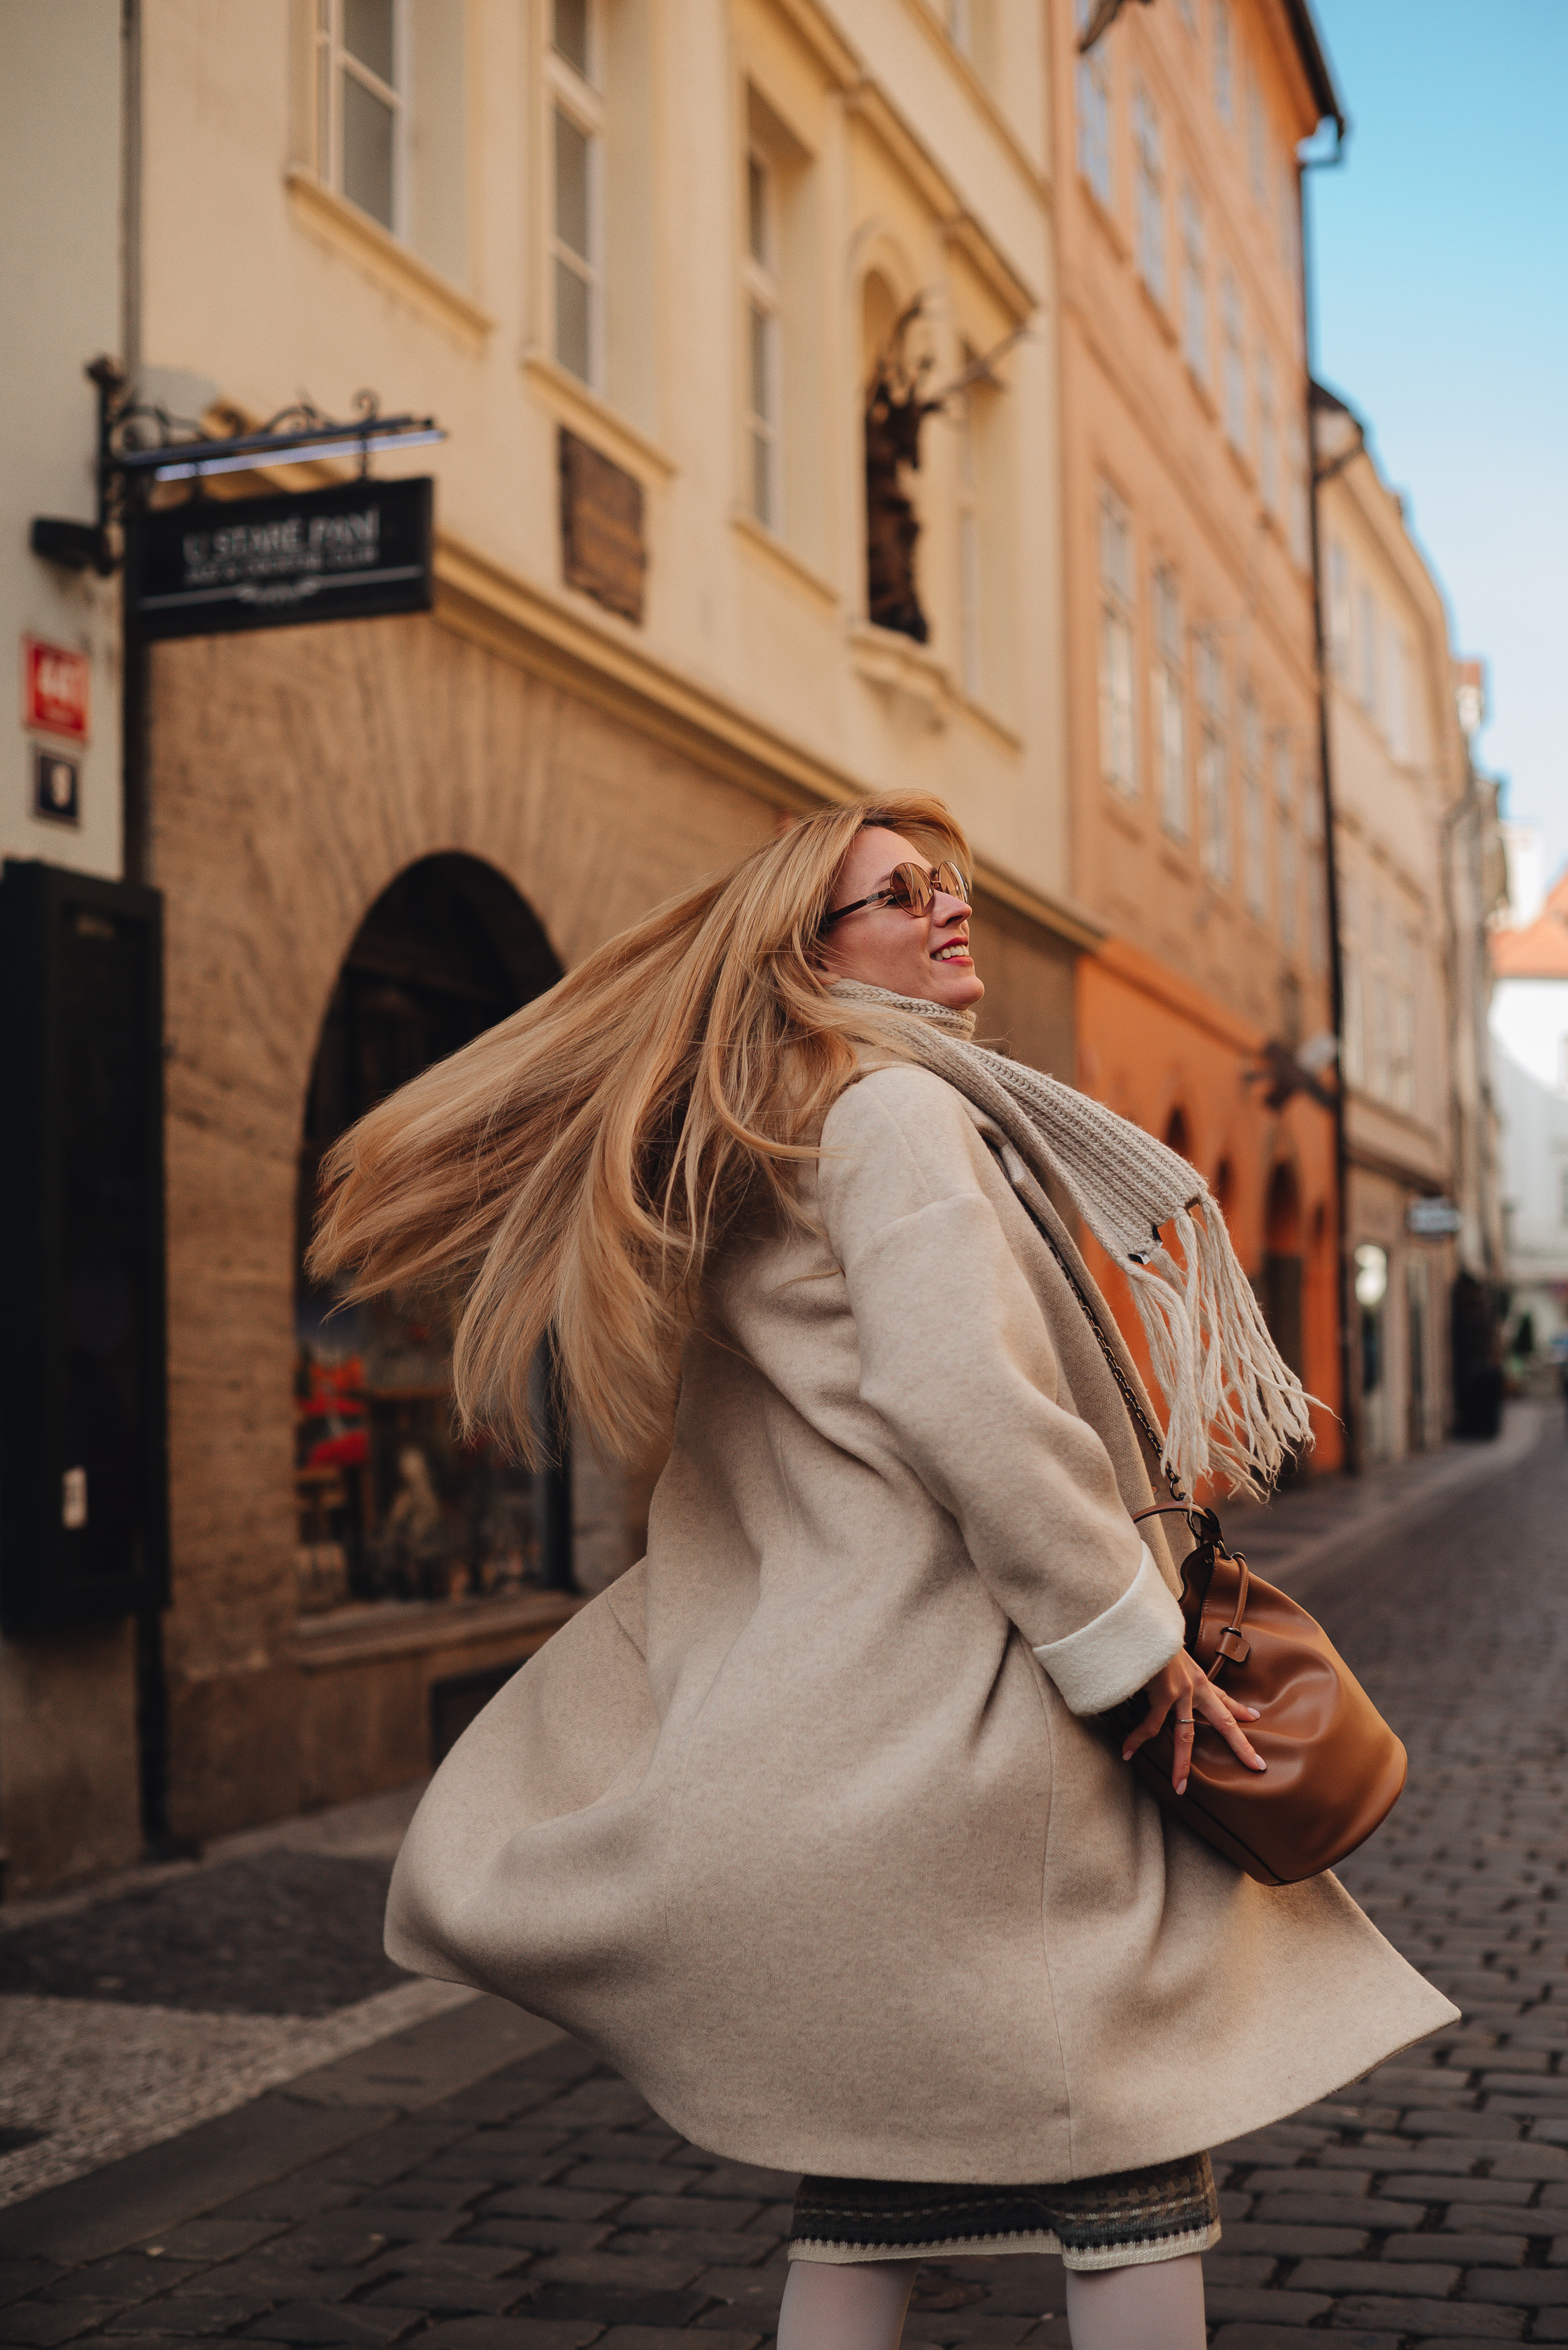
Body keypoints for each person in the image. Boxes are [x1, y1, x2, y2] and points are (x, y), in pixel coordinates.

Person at [310, 794, 1455, 2350]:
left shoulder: (782, 1131)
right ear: (811, 953)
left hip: (880, 1755)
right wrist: (1125, 1647)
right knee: (1129, 2171)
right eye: (901, 895)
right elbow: (967, 1402)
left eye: (949, 883)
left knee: (872, 2194)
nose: (948, 908)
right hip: (997, 1741)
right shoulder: (894, 1112)